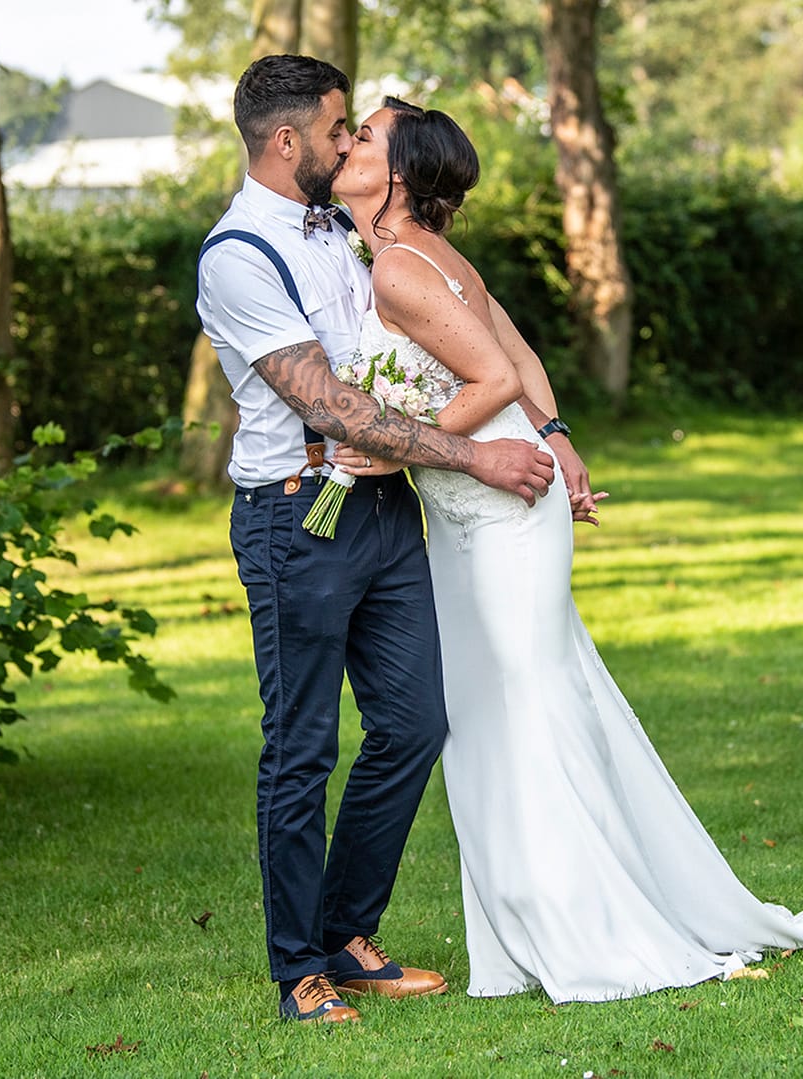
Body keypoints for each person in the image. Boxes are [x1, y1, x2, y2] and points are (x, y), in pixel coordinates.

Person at [326, 98, 803, 1004]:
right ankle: (528, 924)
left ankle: (588, 922)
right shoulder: (421, 254)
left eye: (364, 136)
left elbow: (494, 374)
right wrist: (557, 436)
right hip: (477, 507)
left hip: (500, 506)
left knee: (527, 705)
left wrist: (396, 444)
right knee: (494, 712)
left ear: (397, 174)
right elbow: (519, 358)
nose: (347, 142)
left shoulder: (398, 264)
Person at [194, 56, 555, 1024]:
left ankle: (349, 934)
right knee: (301, 748)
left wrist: (547, 429)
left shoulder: (347, 233)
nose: (347, 140)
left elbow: (459, 325)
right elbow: (329, 404)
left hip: (385, 510)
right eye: (335, 128)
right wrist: (475, 456)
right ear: (286, 141)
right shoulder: (238, 255)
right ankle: (297, 969)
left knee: (412, 724)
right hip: (296, 515)